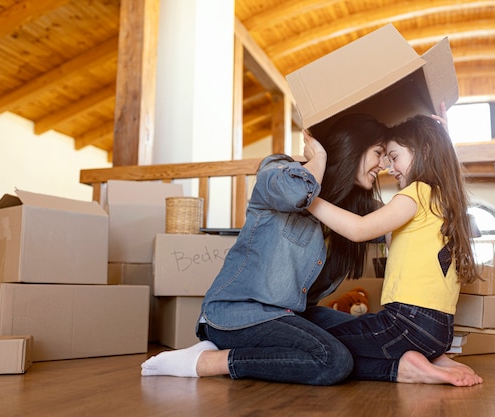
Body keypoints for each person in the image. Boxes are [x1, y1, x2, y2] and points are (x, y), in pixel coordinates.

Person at [141, 113, 390, 385]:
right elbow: (296, 193)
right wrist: (319, 157)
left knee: (375, 334)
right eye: (378, 152)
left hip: (295, 315)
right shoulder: (279, 169)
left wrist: (426, 149)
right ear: (353, 146)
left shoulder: (351, 210)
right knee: (333, 360)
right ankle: (209, 361)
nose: (383, 164)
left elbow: (401, 221)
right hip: (240, 313)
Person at [307, 114, 484, 387]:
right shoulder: (445, 201)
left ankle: (410, 369)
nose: (390, 167)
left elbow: (359, 230)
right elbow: (392, 239)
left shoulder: (416, 193)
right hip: (439, 332)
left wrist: (308, 197)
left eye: (393, 156)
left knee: (314, 342)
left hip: (407, 324)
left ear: (424, 151)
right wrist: (441, 135)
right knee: (331, 334)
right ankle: (429, 360)